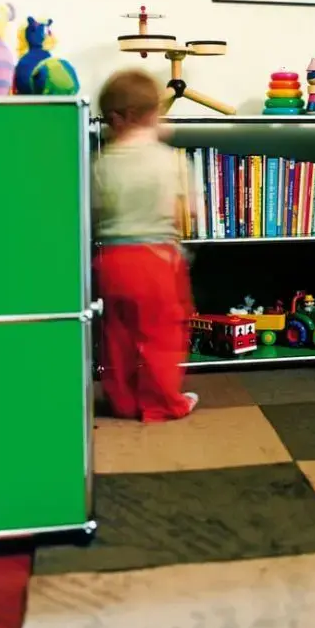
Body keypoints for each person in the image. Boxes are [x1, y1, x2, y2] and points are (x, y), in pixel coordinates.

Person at [93, 68, 198, 422]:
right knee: (161, 336)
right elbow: (185, 210)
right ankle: (162, 403)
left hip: (111, 258)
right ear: (153, 113)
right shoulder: (166, 158)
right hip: (155, 258)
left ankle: (122, 401)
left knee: (117, 335)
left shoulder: (102, 162)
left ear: (115, 120)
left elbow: (94, 210)